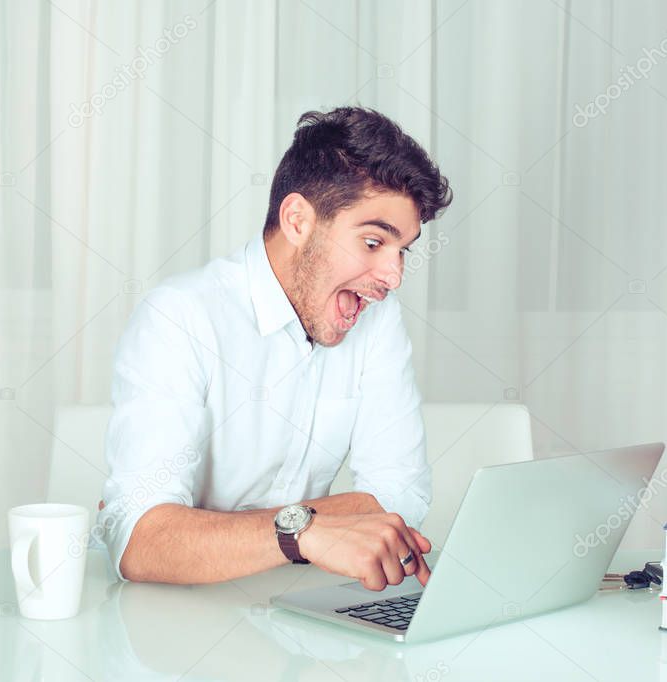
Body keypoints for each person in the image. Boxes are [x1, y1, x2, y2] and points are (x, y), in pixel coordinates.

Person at [98, 106, 452, 591]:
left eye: (402, 250)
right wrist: (304, 533)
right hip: (177, 622)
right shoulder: (179, 317)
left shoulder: (378, 322)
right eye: (373, 243)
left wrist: (219, 530)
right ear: (298, 220)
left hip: (300, 606)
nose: (393, 277)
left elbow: (399, 497)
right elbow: (142, 541)